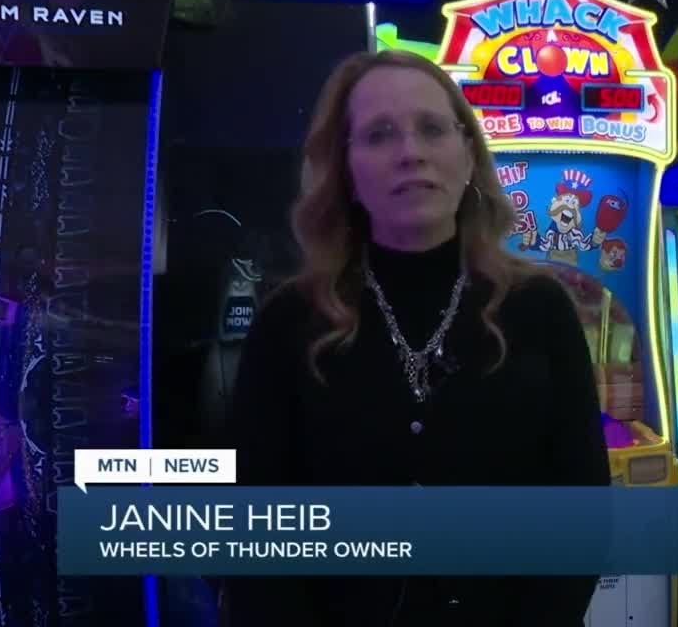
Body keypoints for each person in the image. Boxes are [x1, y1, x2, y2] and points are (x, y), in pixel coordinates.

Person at [225, 50, 610, 626]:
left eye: (432, 128)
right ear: (345, 167)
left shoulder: (540, 308)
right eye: (379, 134)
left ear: (468, 152)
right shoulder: (288, 323)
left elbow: (582, 512)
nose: (411, 152)